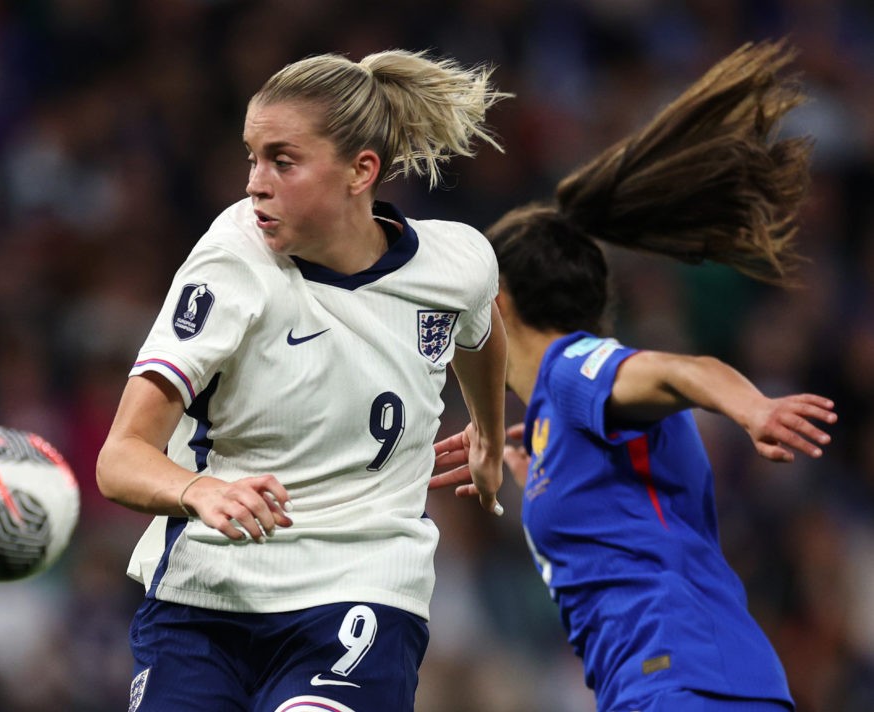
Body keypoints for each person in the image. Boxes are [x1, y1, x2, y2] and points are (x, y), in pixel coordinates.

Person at [96, 49, 511, 712]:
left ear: (360, 171)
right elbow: (120, 459)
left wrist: (487, 433)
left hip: (360, 592)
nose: (256, 183)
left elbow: (481, 326)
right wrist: (197, 490)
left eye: (282, 161)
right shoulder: (231, 263)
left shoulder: (453, 262)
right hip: (205, 603)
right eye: (251, 157)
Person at [430, 40, 837, 712]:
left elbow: (681, 370)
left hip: (685, 681)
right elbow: (618, 516)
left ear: (493, 299)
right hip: (671, 683)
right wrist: (533, 465)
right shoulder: (558, 420)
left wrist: (751, 409)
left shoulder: (573, 366)